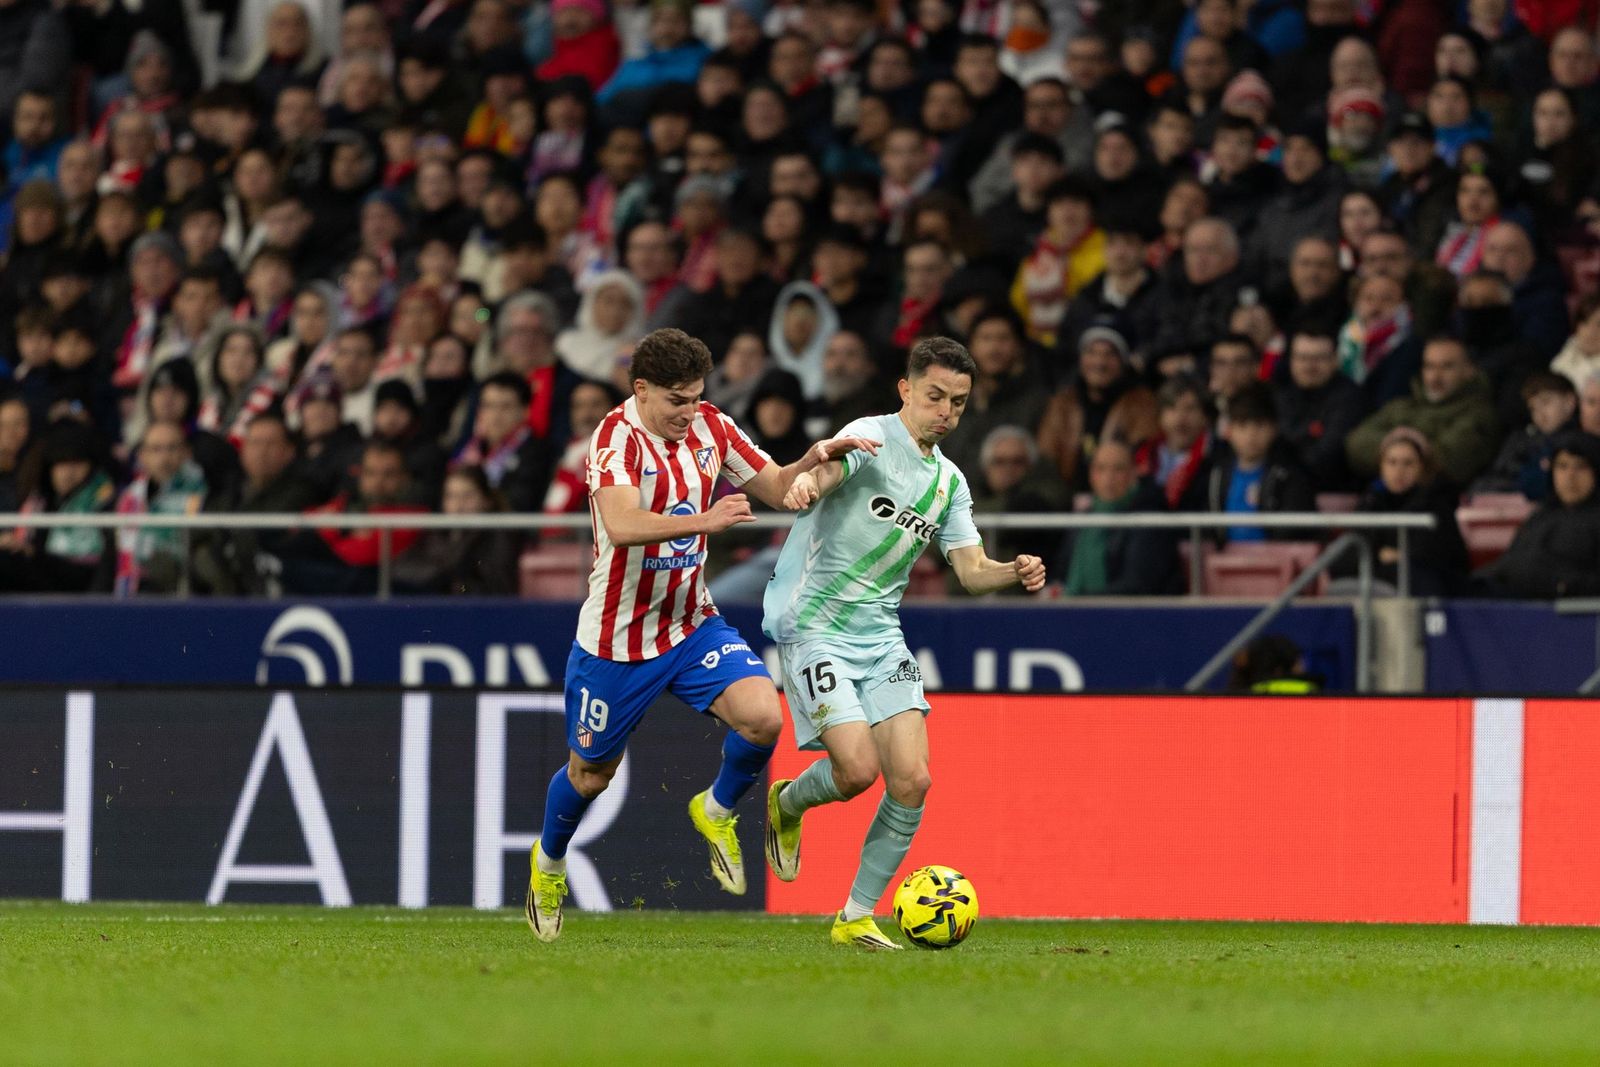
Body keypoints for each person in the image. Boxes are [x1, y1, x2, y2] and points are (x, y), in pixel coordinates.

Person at [525, 327, 881, 943]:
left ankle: (715, 810)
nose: (690, 412)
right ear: (641, 390)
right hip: (618, 641)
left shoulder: (712, 426)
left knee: (763, 718)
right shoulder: (614, 438)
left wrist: (815, 460)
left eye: (695, 397)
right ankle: (548, 864)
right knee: (590, 775)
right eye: (676, 401)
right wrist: (706, 518)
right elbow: (622, 522)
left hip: (690, 623)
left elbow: (774, 486)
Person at [760, 335, 1045, 949]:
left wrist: (1011, 572)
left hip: (881, 635)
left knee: (912, 779)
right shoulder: (872, 433)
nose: (946, 411)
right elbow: (836, 467)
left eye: (960, 403)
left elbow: (970, 572)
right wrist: (811, 482)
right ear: (906, 390)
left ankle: (856, 917)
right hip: (816, 625)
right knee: (857, 770)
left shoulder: (950, 483)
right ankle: (787, 802)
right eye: (936, 396)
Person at [1345, 335, 1499, 489]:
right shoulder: (1402, 405)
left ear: (1469, 370)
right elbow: (1356, 442)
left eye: (1447, 366)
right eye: (1429, 366)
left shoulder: (1478, 412)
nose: (1435, 376)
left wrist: (1406, 445)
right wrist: (1396, 441)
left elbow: (1452, 458)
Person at [1476, 432, 1600, 599]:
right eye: (1562, 466)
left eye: (1580, 467)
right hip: (1519, 608)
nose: (1570, 476)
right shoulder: (1540, 515)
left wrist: (1564, 584)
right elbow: (1510, 564)